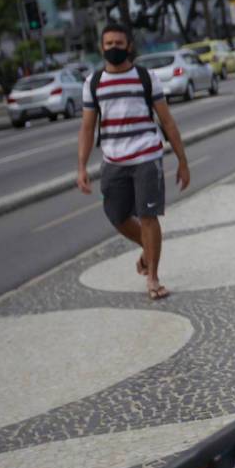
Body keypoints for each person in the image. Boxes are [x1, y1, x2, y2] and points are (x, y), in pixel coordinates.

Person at [76, 25, 190, 300]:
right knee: (116, 215)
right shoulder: (93, 83)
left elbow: (167, 121)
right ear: (101, 47)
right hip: (113, 160)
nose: (113, 47)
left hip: (146, 156)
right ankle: (149, 249)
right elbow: (87, 128)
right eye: (108, 43)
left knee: (148, 216)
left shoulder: (145, 77)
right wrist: (81, 166)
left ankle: (152, 277)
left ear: (129, 46)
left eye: (119, 42)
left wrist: (182, 161)